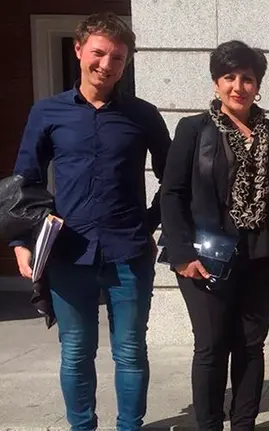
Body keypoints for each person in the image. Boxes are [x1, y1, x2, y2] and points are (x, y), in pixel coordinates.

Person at [9, 12, 169, 431]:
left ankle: (129, 426)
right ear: (79, 51)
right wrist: (22, 242)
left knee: (130, 351)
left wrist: (151, 223)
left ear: (126, 61)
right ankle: (82, 427)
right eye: (99, 53)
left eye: (117, 57)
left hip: (128, 251)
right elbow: (22, 182)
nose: (107, 64)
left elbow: (175, 179)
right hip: (67, 253)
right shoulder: (47, 112)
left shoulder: (143, 115)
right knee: (76, 351)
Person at [159, 40, 269, 431]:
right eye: (229, 77)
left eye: (247, 78)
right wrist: (181, 253)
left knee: (250, 346)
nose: (238, 86)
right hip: (205, 257)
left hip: (263, 257)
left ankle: (245, 423)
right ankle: (210, 425)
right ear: (216, 82)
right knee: (212, 346)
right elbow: (172, 192)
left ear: (258, 84)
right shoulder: (193, 129)